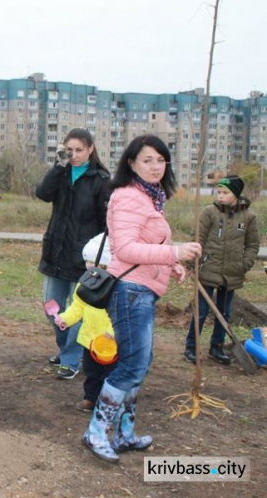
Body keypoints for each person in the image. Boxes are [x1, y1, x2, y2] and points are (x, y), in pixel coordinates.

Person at [82, 135, 201, 463]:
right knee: (132, 366)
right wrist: (173, 251)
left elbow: (147, 245)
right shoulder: (128, 197)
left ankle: (123, 433)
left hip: (142, 290)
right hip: (129, 292)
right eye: (147, 160)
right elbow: (126, 249)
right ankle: (96, 432)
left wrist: (172, 263)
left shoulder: (150, 199)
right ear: (131, 163)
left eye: (161, 160)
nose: (155, 166)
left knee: (138, 364)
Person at [36, 128, 111, 380]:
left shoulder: (101, 180)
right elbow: (42, 193)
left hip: (84, 260)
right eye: (70, 150)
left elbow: (106, 223)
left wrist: (100, 259)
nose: (75, 155)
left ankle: (70, 358)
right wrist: (58, 166)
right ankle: (66, 347)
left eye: (80, 150)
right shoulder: (62, 173)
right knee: (52, 307)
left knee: (77, 312)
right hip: (55, 254)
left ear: (90, 149)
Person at [184, 174, 259, 365]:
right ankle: (191, 348)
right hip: (208, 269)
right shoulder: (210, 212)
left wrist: (244, 264)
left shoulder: (248, 217)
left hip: (231, 273)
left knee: (224, 313)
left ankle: (216, 348)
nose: (220, 196)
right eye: (218, 192)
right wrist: (194, 263)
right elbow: (198, 237)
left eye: (225, 192)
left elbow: (252, 245)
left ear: (236, 194)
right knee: (201, 312)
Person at [54, 234, 116, 413]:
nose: (88, 266)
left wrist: (114, 330)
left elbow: (121, 313)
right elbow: (77, 307)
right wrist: (65, 318)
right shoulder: (84, 285)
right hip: (89, 339)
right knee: (91, 372)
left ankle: (109, 401)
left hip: (109, 342)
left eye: (92, 262)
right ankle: (90, 398)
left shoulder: (115, 288)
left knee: (110, 373)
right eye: (87, 261)